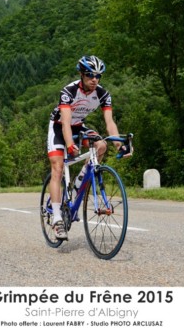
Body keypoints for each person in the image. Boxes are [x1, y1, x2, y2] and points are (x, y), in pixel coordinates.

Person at [46, 55, 131, 240]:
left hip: (79, 125)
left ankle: (80, 181)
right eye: (90, 75)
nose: (95, 79)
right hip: (60, 126)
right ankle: (57, 218)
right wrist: (69, 145)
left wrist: (118, 144)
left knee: (101, 145)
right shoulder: (69, 91)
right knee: (58, 167)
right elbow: (66, 123)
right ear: (82, 74)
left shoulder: (103, 94)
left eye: (98, 76)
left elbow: (110, 122)